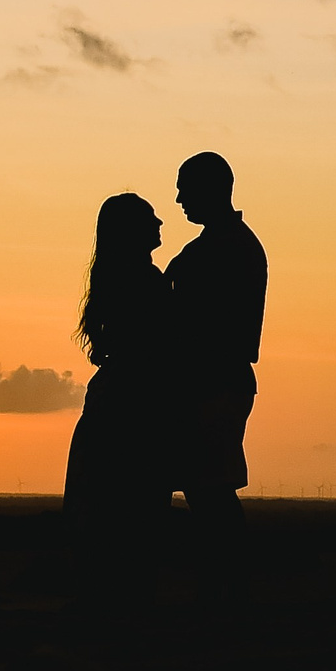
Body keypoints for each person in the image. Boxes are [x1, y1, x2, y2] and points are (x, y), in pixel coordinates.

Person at [165, 152, 267, 545]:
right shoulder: (215, 246)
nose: (179, 200)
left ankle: (229, 571)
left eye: (185, 189)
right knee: (205, 487)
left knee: (210, 488)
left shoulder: (228, 248)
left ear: (211, 189)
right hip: (210, 384)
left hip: (215, 384)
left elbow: (209, 327)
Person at [63, 193, 175, 551]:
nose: (159, 223)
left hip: (112, 400)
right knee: (133, 510)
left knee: (102, 509)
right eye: (150, 217)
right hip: (134, 405)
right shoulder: (144, 281)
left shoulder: (120, 280)